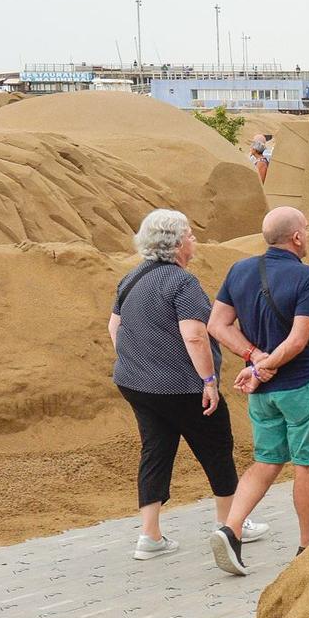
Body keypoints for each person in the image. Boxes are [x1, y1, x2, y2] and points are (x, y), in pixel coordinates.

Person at [108, 209, 267, 560]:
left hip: (136, 385)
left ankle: (149, 536)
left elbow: (114, 328)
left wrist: (138, 360)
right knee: (216, 447)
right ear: (178, 243)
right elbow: (195, 336)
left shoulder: (130, 278)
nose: (194, 242)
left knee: (156, 450)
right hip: (180, 387)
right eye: (191, 236)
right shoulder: (182, 283)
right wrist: (208, 382)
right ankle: (231, 525)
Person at [207, 206, 309, 576]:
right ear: (296, 237)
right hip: (300, 386)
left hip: (261, 392)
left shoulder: (240, 270)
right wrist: (263, 364)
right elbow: (298, 339)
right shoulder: (306, 277)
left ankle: (232, 527)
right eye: (306, 228)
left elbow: (217, 324)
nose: (307, 234)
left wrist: (253, 359)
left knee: (266, 461)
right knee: (307, 465)